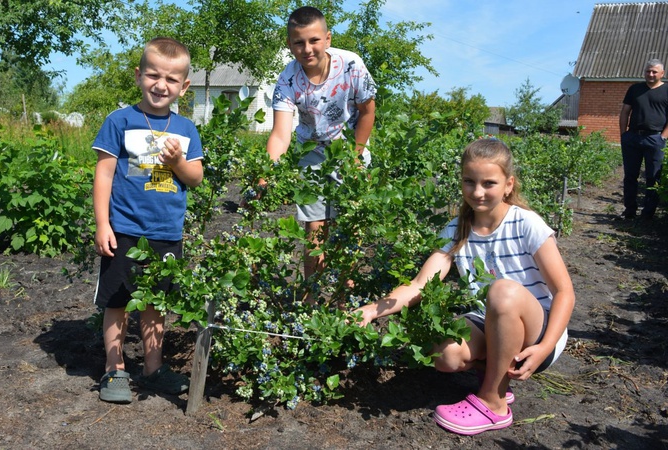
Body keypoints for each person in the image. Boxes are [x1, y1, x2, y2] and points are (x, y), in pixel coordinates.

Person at [354, 138, 575, 435]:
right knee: (445, 353)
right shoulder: (457, 229)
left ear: (509, 185)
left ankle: (494, 402)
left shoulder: (526, 223)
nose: (478, 191)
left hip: (540, 331)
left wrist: (545, 346)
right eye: (469, 182)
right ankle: (496, 376)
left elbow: (565, 292)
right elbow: (420, 284)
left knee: (502, 290)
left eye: (489, 183)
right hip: (492, 321)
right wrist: (370, 310)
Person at [92, 37, 203, 404]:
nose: (161, 84)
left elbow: (195, 177)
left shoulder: (186, 129)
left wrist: (176, 163)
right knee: (119, 300)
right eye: (153, 75)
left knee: (155, 301)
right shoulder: (119, 120)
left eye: (171, 79)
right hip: (124, 229)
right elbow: (104, 174)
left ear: (184, 87)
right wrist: (103, 224)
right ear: (139, 76)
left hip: (166, 233)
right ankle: (115, 369)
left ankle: (153, 369)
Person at [260, 5, 377, 284]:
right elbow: (280, 134)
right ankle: (312, 299)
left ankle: (343, 299)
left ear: (328, 39)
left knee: (350, 226)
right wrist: (264, 175)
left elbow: (368, 111)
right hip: (311, 150)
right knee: (315, 229)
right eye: (299, 42)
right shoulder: (288, 79)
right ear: (289, 45)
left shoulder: (351, 65)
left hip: (350, 146)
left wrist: (355, 156)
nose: (307, 49)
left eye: (314, 40)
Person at [619, 58, 668, 220]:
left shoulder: (666, 90)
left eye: (654, 71)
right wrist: (624, 134)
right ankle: (629, 211)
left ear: (662, 73)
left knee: (653, 177)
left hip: (655, 138)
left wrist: (663, 137)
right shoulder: (635, 89)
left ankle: (648, 214)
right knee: (630, 176)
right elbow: (625, 111)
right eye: (648, 71)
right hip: (633, 137)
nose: (651, 74)